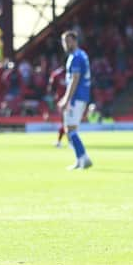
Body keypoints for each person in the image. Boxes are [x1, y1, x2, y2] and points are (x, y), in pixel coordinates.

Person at [57, 30, 92, 170]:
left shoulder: (76, 57)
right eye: (64, 41)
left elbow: (75, 79)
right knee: (70, 129)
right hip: (81, 96)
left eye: (68, 41)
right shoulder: (81, 55)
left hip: (76, 97)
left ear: (75, 41)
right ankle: (79, 159)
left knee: (71, 130)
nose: (65, 44)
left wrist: (66, 99)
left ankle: (84, 158)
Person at [47, 64, 67, 147]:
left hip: (69, 101)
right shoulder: (57, 74)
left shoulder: (72, 73)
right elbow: (51, 88)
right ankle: (66, 141)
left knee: (66, 122)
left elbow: (50, 88)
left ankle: (61, 141)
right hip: (62, 101)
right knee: (66, 122)